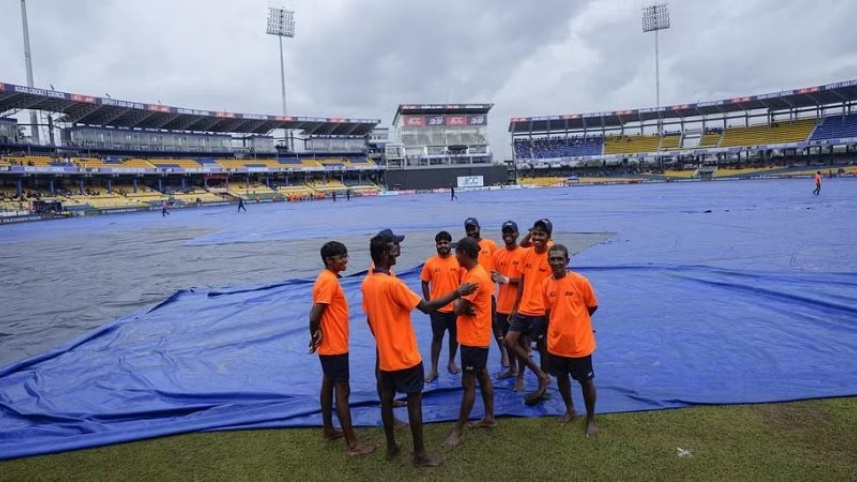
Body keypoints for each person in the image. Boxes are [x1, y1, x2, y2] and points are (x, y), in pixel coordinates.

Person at [362, 232, 476, 467]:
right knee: (415, 402)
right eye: (394, 247)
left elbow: (369, 320)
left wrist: (382, 340)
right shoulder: (394, 284)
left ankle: (391, 446)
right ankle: (420, 455)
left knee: (386, 400)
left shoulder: (368, 282)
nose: (398, 249)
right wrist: (457, 293)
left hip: (385, 357)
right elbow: (426, 306)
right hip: (405, 356)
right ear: (384, 254)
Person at [308, 241, 376, 456]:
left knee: (328, 383)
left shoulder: (326, 278)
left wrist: (317, 332)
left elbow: (316, 312)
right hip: (334, 346)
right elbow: (314, 315)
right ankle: (352, 445)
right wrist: (315, 333)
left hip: (332, 344)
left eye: (346, 256)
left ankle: (328, 429)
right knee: (342, 392)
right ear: (329, 260)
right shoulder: (328, 281)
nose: (346, 260)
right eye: (341, 257)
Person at [443, 237, 497, 448]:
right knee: (482, 375)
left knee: (468, 384)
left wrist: (460, 304)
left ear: (465, 253)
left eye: (457, 252)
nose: (455, 256)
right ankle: (490, 417)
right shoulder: (474, 272)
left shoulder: (474, 277)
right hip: (476, 337)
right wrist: (463, 305)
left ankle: (458, 431)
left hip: (473, 339)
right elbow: (463, 306)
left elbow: (457, 309)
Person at [542, 244, 599, 437]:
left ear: (567, 260)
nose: (556, 262)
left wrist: (578, 322)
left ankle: (590, 419)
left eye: (560, 258)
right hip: (556, 344)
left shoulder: (580, 281)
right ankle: (570, 409)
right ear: (548, 261)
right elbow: (548, 311)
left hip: (579, 344)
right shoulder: (546, 284)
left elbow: (592, 306)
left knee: (586, 381)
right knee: (561, 377)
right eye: (553, 259)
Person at [505, 218, 554, 401]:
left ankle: (543, 381)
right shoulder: (526, 253)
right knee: (509, 341)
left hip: (541, 311)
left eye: (541, 234)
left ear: (548, 236)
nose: (537, 237)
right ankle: (541, 374)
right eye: (535, 234)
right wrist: (515, 306)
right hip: (524, 308)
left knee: (542, 346)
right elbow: (522, 282)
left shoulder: (552, 256)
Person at [420, 231, 463, 382]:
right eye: (440, 243)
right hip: (437, 309)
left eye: (445, 243)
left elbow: (464, 283)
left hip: (455, 308)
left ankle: (451, 362)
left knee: (454, 336)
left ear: (450, 244)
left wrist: (461, 302)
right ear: (436, 245)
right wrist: (429, 303)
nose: (443, 245)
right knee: (437, 337)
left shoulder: (458, 262)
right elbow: (424, 282)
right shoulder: (430, 263)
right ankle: (434, 369)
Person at [491, 221, 525, 378]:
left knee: (521, 342)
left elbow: (527, 279)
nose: (508, 235)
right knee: (506, 340)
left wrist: (508, 280)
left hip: (519, 306)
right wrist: (494, 277)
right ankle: (512, 368)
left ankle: (521, 374)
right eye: (505, 232)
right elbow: (494, 275)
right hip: (502, 305)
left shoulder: (524, 253)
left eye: (511, 232)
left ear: (517, 234)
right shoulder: (497, 254)